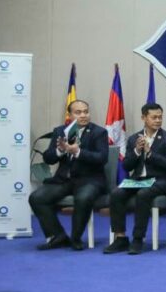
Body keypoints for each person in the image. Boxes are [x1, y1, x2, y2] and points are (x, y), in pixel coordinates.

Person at [28, 99, 108, 251]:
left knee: (83, 198)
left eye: (86, 112)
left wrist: (78, 152)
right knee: (37, 198)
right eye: (78, 112)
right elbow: (48, 158)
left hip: (90, 180)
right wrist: (60, 150)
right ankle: (57, 236)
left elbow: (101, 158)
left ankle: (75, 238)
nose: (83, 115)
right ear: (70, 115)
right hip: (64, 180)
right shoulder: (60, 132)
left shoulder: (99, 132)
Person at [103, 103, 166, 255]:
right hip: (138, 180)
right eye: (154, 117)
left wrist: (150, 153)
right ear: (144, 118)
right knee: (116, 193)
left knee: (143, 194)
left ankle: (138, 238)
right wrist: (137, 151)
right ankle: (120, 238)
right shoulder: (134, 139)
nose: (158, 120)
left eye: (160, 117)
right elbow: (126, 166)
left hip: (160, 181)